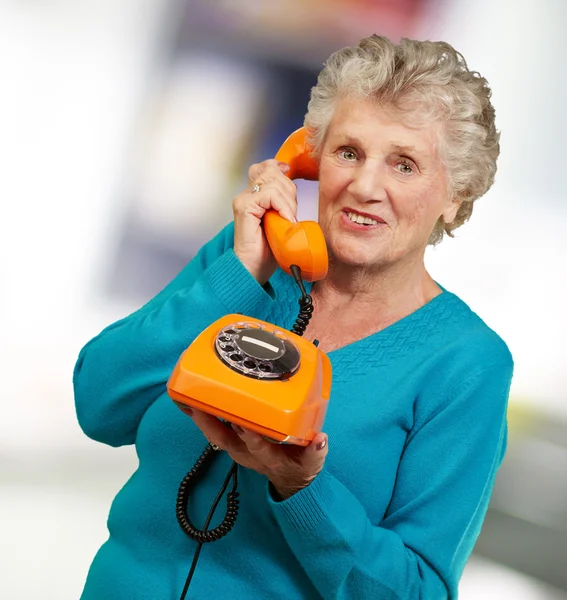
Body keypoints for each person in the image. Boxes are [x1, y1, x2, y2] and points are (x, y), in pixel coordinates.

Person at [73, 34, 513, 599]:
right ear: (308, 161)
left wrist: (301, 486)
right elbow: (99, 404)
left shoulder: (465, 363)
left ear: (458, 194)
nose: (365, 185)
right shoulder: (243, 261)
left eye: (404, 165)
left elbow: (417, 592)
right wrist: (242, 274)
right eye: (348, 152)